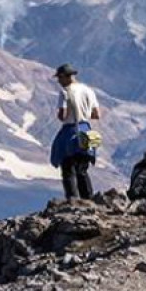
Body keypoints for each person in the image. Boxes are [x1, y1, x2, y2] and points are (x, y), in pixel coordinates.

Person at [48, 63, 101, 201]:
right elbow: (96, 114)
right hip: (87, 129)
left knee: (68, 167)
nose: (59, 81)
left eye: (59, 78)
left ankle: (73, 199)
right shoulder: (89, 90)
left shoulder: (65, 92)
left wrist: (64, 114)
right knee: (82, 169)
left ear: (65, 77)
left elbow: (63, 116)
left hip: (70, 131)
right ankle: (88, 199)